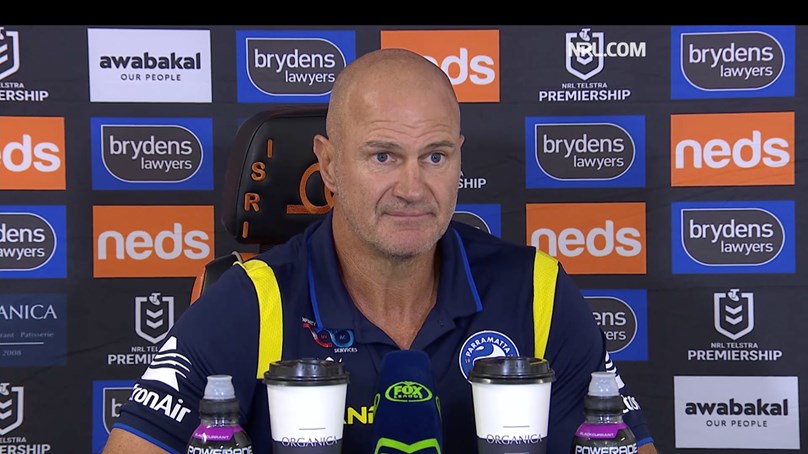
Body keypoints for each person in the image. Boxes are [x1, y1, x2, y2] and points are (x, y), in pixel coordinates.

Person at [103, 48, 657, 453]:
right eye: (383, 156)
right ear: (329, 165)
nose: (413, 189)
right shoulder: (250, 301)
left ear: (459, 158)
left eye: (435, 156)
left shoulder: (536, 293)